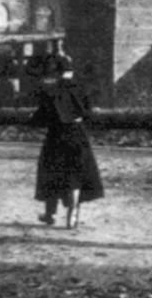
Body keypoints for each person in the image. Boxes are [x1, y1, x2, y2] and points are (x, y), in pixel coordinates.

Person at [31, 53, 104, 229]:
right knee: (75, 173)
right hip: (77, 134)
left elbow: (41, 118)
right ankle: (73, 213)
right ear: (71, 70)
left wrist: (33, 118)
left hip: (56, 134)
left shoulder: (50, 89)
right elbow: (89, 114)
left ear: (56, 70)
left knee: (51, 172)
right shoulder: (83, 87)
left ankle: (50, 214)